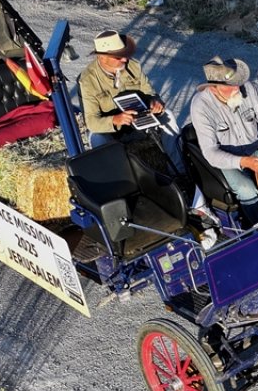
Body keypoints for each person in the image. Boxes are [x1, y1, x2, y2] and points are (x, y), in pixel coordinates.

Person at [77, 30, 217, 249]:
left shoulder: (134, 66)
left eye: (124, 54)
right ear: (100, 56)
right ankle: (122, 191)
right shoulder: (87, 80)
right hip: (113, 127)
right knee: (97, 139)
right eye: (118, 56)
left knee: (168, 117)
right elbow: (93, 121)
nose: (124, 59)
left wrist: (155, 102)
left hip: (139, 119)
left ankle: (178, 172)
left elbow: (150, 92)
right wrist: (115, 119)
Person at [188, 56, 258, 226]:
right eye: (230, 86)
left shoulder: (246, 88)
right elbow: (210, 153)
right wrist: (244, 162)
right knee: (246, 190)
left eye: (237, 83)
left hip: (257, 146)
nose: (237, 88)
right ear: (213, 88)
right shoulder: (200, 106)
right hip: (228, 157)